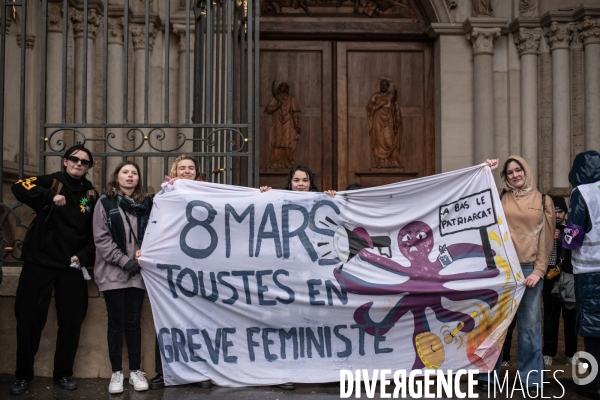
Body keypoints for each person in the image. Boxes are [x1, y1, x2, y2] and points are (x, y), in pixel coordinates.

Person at [10, 144, 98, 395]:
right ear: (65, 161)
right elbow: (18, 187)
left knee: (71, 322)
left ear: (89, 167)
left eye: (84, 162)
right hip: (40, 264)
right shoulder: (52, 182)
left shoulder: (90, 194)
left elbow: (94, 232)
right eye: (74, 159)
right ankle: (23, 375)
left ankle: (63, 373)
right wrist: (49, 196)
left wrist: (84, 256)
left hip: (71, 267)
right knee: (28, 321)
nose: (79, 164)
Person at [481, 156, 555, 397]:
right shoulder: (500, 195)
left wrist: (539, 271)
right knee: (495, 323)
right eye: (509, 172)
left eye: (518, 170)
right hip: (501, 269)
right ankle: (488, 374)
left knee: (530, 325)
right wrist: (487, 170)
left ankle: (531, 377)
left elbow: (546, 240)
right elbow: (479, 195)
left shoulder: (544, 200)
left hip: (528, 271)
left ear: (526, 170)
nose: (515, 175)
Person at [148, 154, 213, 390]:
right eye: (182, 168)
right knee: (168, 319)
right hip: (173, 265)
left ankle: (201, 371)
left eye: (191, 168)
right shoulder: (165, 194)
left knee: (200, 320)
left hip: (202, 266)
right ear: (175, 171)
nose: (187, 171)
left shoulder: (211, 192)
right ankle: (163, 371)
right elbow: (156, 226)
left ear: (197, 172)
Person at [93, 161, 152, 394]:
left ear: (138, 178)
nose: (130, 176)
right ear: (117, 177)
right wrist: (124, 260)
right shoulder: (104, 202)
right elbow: (101, 239)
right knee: (116, 322)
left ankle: (135, 371)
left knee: (133, 322)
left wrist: (143, 255)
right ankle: (117, 372)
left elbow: (155, 233)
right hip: (113, 271)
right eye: (125, 172)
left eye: (134, 173)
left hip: (138, 271)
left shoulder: (147, 203)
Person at [562, 150, 600, 399]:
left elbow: (573, 235)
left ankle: (590, 384)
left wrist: (563, 236)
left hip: (589, 270)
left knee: (592, 327)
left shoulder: (582, 193)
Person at [542, 196, 578, 366]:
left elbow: (578, 245)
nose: (557, 215)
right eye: (554, 211)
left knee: (570, 317)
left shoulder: (572, 228)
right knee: (551, 316)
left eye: (560, 211)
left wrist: (564, 234)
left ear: (565, 212)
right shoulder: (542, 227)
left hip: (568, 276)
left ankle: (571, 353)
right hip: (549, 276)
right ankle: (548, 353)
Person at [366, 77, 402, 168]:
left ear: (388, 86)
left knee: (390, 139)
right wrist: (380, 105)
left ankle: (394, 160)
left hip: (389, 120)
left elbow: (396, 108)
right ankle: (380, 161)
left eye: (385, 85)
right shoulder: (375, 96)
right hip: (378, 120)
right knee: (379, 140)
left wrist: (397, 119)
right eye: (381, 85)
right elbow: (369, 107)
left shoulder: (391, 96)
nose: (383, 87)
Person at [264, 82, 301, 169]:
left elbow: (295, 112)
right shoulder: (275, 99)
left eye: (285, 86)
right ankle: (276, 161)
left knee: (287, 142)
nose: (283, 88)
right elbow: (268, 109)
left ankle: (288, 160)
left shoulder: (291, 99)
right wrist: (277, 106)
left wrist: (296, 125)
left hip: (288, 122)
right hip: (277, 122)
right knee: (277, 142)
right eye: (282, 86)